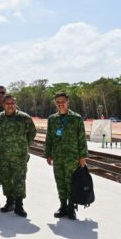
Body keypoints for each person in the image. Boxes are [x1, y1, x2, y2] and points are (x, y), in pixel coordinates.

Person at [45, 92, 88, 220]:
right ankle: (63, 206)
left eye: (62, 101)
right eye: (58, 102)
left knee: (71, 183)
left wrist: (82, 157)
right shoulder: (52, 119)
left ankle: (71, 207)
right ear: (55, 104)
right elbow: (49, 138)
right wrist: (48, 153)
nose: (60, 104)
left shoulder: (76, 118)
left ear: (68, 102)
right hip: (58, 157)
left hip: (72, 157)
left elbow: (82, 139)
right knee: (60, 182)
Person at [0, 94, 36, 217]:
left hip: (19, 156)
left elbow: (32, 132)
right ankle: (9, 202)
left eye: (12, 103)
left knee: (19, 180)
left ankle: (19, 205)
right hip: (4, 156)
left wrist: (25, 145)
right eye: (7, 103)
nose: (10, 105)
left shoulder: (24, 118)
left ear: (15, 104)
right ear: (3, 104)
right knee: (6, 180)